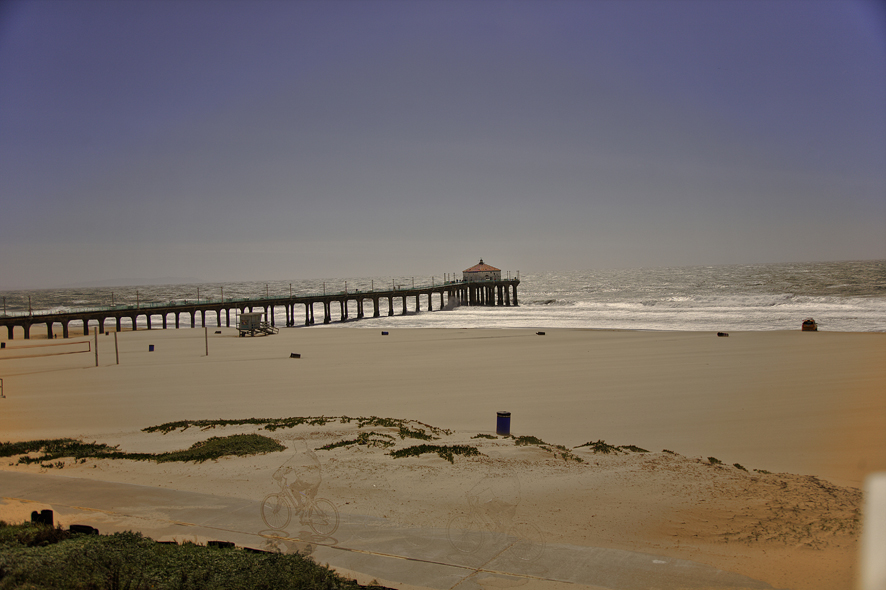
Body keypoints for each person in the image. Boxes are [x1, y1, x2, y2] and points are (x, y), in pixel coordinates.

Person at [273, 440, 322, 523]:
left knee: (293, 487)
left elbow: (285, 468)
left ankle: (299, 505)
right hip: (317, 479)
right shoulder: (311, 453)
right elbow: (319, 465)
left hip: (307, 480)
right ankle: (306, 517)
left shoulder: (297, 457)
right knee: (309, 498)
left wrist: (276, 475)